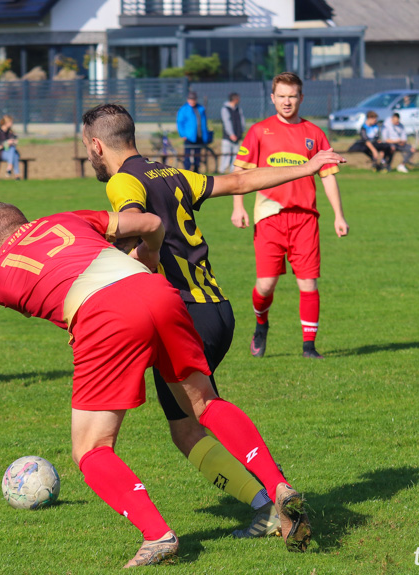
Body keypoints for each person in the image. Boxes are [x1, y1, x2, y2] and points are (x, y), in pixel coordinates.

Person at [0, 201, 312, 566]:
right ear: (26, 221)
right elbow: (152, 222)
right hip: (156, 290)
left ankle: (157, 535)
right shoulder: (64, 219)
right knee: (204, 403)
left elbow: (46, 293)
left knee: (90, 448)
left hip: (104, 314)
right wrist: (149, 255)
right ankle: (276, 484)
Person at [82, 103, 345, 538]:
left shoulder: (123, 182)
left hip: (178, 313)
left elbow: (133, 220)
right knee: (187, 424)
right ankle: (273, 502)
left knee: (200, 416)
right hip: (217, 309)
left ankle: (272, 496)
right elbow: (240, 180)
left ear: (95, 145)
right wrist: (308, 166)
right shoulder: (170, 172)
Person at [232, 72, 350, 360]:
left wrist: (338, 215)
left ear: (301, 98)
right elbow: (240, 174)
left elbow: (328, 177)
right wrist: (239, 207)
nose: (287, 101)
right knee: (266, 284)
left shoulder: (314, 133)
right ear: (272, 98)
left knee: (308, 283)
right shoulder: (259, 131)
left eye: (292, 96)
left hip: (305, 219)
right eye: (281, 96)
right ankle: (261, 325)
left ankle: (309, 347)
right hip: (269, 217)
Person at [176, 91, 209, 172]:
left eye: (194, 99)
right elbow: (180, 122)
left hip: (199, 135)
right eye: (191, 99)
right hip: (189, 136)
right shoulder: (184, 109)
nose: (192, 101)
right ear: (188, 100)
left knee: (197, 155)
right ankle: (187, 171)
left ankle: (196, 170)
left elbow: (204, 122)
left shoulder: (200, 108)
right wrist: (183, 134)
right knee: (187, 154)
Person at [219, 93, 246, 174]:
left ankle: (232, 171)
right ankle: (222, 171)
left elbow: (242, 120)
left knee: (235, 156)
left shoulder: (238, 108)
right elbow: (227, 122)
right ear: (235, 99)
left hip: (237, 136)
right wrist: (231, 134)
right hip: (228, 137)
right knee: (226, 155)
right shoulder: (225, 109)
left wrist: (241, 131)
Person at [0, 114, 21, 180]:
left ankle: (10, 168)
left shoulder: (11, 132)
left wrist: (13, 142)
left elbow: (16, 141)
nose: (12, 124)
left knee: (13, 151)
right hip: (1, 152)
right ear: (6, 123)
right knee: (14, 153)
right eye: (11, 122)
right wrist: (6, 143)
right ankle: (15, 174)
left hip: (10, 152)